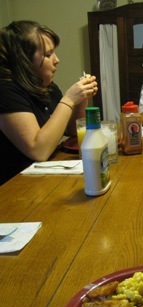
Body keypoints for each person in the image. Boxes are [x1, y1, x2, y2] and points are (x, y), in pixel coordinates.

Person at [0, 21, 98, 186]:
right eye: (48, 54)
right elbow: (38, 150)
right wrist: (69, 99)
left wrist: (81, 100)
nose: (57, 60)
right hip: (14, 189)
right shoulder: (6, 91)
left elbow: (72, 130)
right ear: (23, 61)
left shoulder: (48, 88)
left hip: (45, 179)